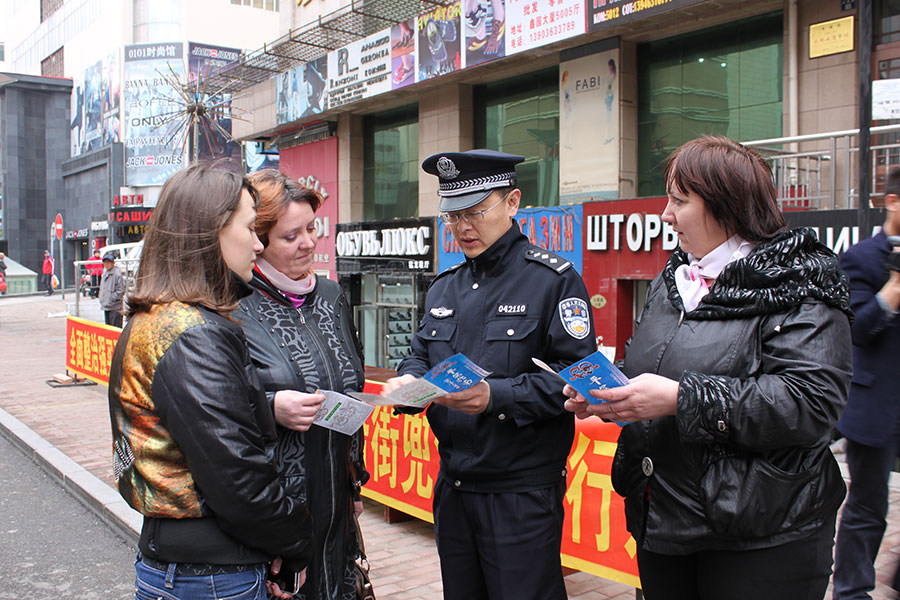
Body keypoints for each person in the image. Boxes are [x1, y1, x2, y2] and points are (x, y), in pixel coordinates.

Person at [563, 136, 853, 600]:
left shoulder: (800, 283)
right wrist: (609, 393)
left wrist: (681, 399)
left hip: (760, 534)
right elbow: (656, 363)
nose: (665, 215)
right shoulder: (674, 279)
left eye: (680, 201)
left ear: (728, 206)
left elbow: (810, 404)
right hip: (664, 518)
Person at [382, 149, 596, 600]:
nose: (463, 227)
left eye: (476, 211)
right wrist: (407, 383)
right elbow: (419, 354)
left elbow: (577, 378)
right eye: (452, 216)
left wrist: (495, 396)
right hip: (454, 487)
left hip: (520, 494)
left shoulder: (552, 281)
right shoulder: (446, 285)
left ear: (513, 202)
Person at [107, 164, 313, 600]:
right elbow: (238, 479)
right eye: (250, 228)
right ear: (210, 231)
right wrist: (295, 542)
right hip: (212, 576)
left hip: (191, 564)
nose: (258, 244)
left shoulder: (163, 319)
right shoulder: (192, 334)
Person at [236, 169, 368, 600]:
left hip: (336, 499)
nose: (309, 243)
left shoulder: (331, 297)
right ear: (259, 240)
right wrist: (270, 404)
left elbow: (352, 387)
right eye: (291, 236)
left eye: (311, 229)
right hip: (278, 506)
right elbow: (214, 406)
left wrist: (355, 480)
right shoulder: (233, 305)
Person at [832, 166, 900, 600]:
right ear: (893, 203)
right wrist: (893, 290)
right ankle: (851, 591)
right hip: (875, 408)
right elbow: (853, 329)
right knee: (869, 507)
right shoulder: (860, 258)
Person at [98, 252, 125, 327]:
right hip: (107, 306)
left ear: (113, 263)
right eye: (105, 262)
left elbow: (121, 290)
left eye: (108, 262)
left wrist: (112, 298)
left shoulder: (117, 273)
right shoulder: (105, 273)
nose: (106, 264)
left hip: (115, 306)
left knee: (115, 329)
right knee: (108, 329)